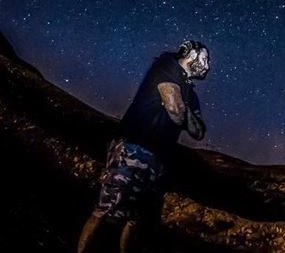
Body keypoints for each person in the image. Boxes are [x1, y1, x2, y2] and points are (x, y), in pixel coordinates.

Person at [77, 40, 210, 253]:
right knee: (106, 209)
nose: (207, 66)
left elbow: (199, 132)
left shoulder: (191, 94)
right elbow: (176, 112)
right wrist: (186, 114)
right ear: (189, 54)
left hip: (158, 160)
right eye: (204, 59)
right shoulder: (167, 66)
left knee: (135, 220)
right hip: (133, 147)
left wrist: (182, 111)